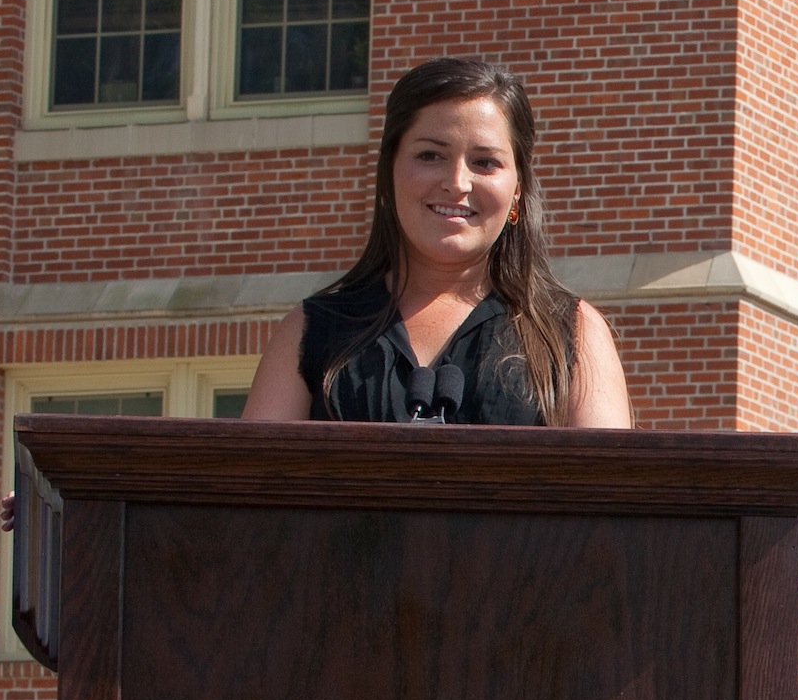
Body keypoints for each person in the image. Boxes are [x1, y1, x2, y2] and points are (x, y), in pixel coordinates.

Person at [243, 56, 631, 425]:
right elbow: (251, 486)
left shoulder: (573, 333)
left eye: (485, 162)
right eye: (430, 155)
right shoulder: (310, 331)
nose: (457, 183)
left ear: (517, 191)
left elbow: (611, 489)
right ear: (389, 171)